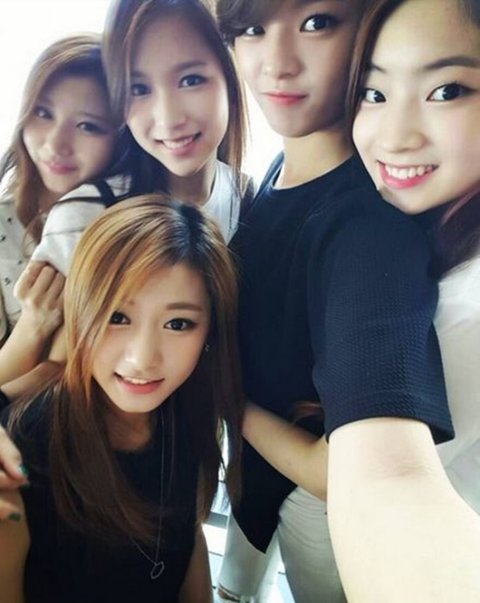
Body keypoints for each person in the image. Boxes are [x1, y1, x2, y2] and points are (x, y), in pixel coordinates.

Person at [213, 0, 480, 601]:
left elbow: (383, 475)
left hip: (319, 517)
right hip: (260, 481)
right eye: (251, 29)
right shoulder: (283, 164)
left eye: (316, 23)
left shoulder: (370, 228)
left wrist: (225, 394)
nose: (277, 64)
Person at [0, 196, 244, 603]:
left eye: (178, 323)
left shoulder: (185, 410)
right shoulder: (23, 454)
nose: (143, 358)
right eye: (117, 317)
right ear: (80, 312)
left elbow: (186, 535)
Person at [351, 0, 480, 517]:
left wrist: (232, 400)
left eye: (446, 91)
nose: (395, 137)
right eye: (374, 93)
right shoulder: (414, 230)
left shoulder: (469, 307)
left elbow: (353, 477)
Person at [0, 34, 120, 385]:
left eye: (87, 126)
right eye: (43, 113)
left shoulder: (134, 219)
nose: (56, 143)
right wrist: (35, 323)